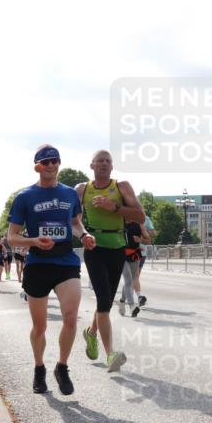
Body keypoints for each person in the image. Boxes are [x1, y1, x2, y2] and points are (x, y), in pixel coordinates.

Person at [8, 145, 96, 395]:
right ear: (37, 166)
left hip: (66, 261)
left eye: (54, 161)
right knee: (40, 327)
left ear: (59, 163)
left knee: (70, 317)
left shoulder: (69, 194)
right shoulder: (25, 197)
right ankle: (39, 368)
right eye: (45, 162)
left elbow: (76, 224)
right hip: (38, 263)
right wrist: (34, 241)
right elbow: (12, 237)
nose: (50, 165)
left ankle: (62, 366)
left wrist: (85, 235)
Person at [75, 150, 145, 373]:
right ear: (92, 165)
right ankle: (111, 355)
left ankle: (91, 333)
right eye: (100, 161)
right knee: (104, 301)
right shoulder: (81, 189)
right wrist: (83, 234)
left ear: (112, 166)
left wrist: (114, 207)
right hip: (94, 247)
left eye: (108, 161)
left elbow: (140, 216)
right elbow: (72, 218)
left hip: (117, 248)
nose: (104, 164)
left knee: (104, 301)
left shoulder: (122, 186)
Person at [120, 219, 151, 317]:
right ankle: (132, 306)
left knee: (130, 281)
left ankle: (122, 302)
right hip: (121, 255)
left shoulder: (139, 224)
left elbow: (148, 240)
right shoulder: (119, 222)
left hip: (135, 255)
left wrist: (140, 240)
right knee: (128, 280)